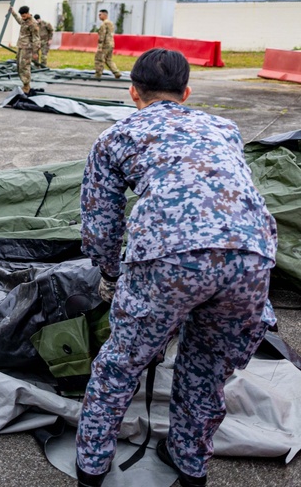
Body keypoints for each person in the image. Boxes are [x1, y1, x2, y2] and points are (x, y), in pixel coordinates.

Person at [74, 48, 278, 487]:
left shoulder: (116, 137)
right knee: (206, 369)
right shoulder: (224, 128)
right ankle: (190, 465)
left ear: (133, 91)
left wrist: (111, 275)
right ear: (187, 92)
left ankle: (91, 467)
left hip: (169, 259)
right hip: (253, 255)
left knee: (120, 365)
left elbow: (100, 222)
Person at [9, 6, 41, 94]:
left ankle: (27, 85)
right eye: (21, 16)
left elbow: (36, 38)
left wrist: (35, 52)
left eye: (24, 16)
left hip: (27, 48)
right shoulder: (24, 20)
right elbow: (19, 20)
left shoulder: (33, 24)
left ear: (27, 13)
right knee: (19, 66)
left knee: (25, 67)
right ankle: (25, 84)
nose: (22, 17)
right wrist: (13, 12)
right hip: (21, 46)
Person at [95, 9, 122, 79]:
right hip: (111, 43)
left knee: (99, 58)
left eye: (100, 15)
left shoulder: (104, 24)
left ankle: (98, 74)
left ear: (104, 15)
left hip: (105, 44)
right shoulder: (111, 23)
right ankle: (116, 72)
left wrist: (100, 46)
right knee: (108, 59)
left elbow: (102, 35)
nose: (99, 16)